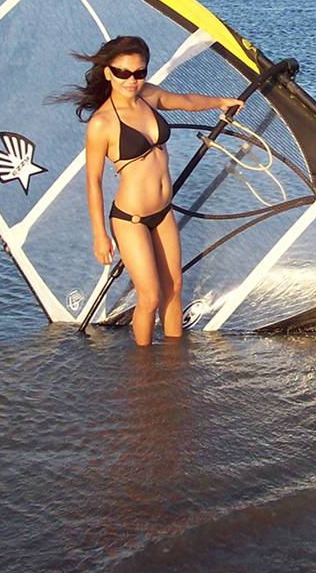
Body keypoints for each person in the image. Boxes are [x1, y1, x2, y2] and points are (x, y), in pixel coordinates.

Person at [58, 36, 241, 346]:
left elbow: (186, 101)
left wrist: (221, 102)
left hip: (163, 212)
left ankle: (173, 363)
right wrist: (100, 235)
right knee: (150, 295)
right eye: (123, 73)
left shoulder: (148, 96)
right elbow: (93, 181)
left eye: (139, 72)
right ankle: (143, 370)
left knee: (174, 287)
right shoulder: (102, 123)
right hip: (130, 219)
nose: (132, 80)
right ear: (108, 73)